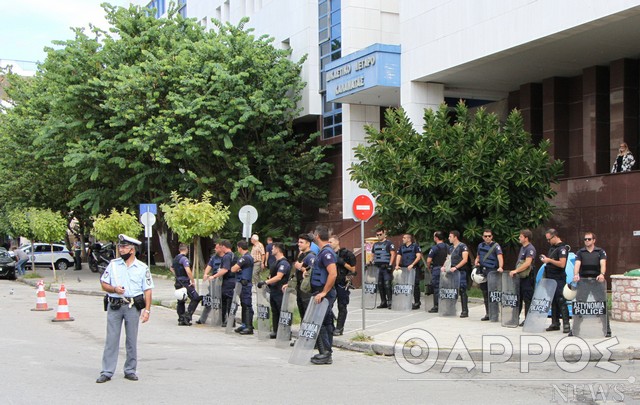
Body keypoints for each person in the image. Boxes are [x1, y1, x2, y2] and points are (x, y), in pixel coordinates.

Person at [96, 234, 153, 383]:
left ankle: (130, 370)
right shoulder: (113, 265)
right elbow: (103, 283)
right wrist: (114, 289)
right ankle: (107, 371)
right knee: (111, 339)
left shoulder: (142, 268)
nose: (121, 250)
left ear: (132, 250)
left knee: (131, 340)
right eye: (120, 247)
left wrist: (147, 310)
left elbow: (147, 290)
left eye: (124, 247)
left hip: (132, 306)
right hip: (115, 305)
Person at [572, 231, 611, 337]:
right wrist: (576, 275)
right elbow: (577, 264)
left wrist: (602, 274)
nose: (587, 241)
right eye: (585, 239)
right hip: (583, 281)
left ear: (594, 240)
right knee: (579, 305)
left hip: (597, 282)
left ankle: (607, 330)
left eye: (589, 239)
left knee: (602, 305)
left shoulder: (600, 252)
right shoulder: (580, 252)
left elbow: (603, 263)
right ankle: (575, 330)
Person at [309, 225, 337, 365]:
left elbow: (333, 273)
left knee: (322, 322)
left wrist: (324, 292)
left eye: (314, 234)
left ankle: (326, 353)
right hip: (320, 292)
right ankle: (324, 352)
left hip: (324, 293)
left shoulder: (327, 253)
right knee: (324, 322)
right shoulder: (322, 252)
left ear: (318, 236)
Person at [502, 229, 536, 326]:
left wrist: (516, 271)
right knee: (517, 298)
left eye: (521, 237)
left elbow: (528, 263)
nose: (519, 238)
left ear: (526, 238)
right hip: (520, 277)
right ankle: (514, 318)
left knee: (527, 298)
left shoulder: (530, 249)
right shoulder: (523, 248)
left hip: (527, 277)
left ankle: (528, 320)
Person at [258, 242, 290, 338]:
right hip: (274, 290)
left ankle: (285, 332)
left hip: (281, 290)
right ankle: (276, 331)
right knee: (275, 311)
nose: (271, 250)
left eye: (273, 248)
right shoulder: (275, 262)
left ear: (277, 249)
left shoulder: (283, 263)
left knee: (282, 312)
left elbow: (279, 277)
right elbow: (272, 275)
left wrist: (265, 282)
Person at [540, 228, 570, 333]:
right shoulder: (553, 248)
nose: (548, 242)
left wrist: (549, 260)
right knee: (552, 300)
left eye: (549, 239)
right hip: (550, 276)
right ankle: (555, 322)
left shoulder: (562, 248)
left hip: (558, 277)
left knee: (561, 300)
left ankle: (566, 324)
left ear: (555, 236)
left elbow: (562, 264)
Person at [285, 234, 316, 320]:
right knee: (301, 310)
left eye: (301, 242)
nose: (299, 244)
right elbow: (294, 272)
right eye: (298, 242)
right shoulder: (301, 255)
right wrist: (289, 284)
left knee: (307, 311)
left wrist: (301, 268)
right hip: (299, 287)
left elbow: (311, 271)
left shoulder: (311, 256)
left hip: (306, 288)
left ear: (308, 244)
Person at [474, 229, 504, 320]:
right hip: (483, 271)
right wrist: (476, 262)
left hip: (492, 271)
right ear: (483, 237)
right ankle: (488, 313)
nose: (487, 238)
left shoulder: (496, 246)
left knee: (493, 293)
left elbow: (500, 257)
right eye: (485, 236)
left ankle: (494, 313)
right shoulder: (480, 245)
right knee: (485, 292)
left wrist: (500, 267)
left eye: (489, 236)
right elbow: (478, 256)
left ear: (492, 237)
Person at [330, 235, 356, 335]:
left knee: (342, 306)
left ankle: (339, 328)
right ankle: (330, 326)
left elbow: (353, 270)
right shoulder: (328, 254)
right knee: (328, 305)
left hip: (342, 283)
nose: (329, 244)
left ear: (337, 242)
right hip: (331, 282)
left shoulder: (347, 254)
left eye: (331, 242)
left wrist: (342, 262)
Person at [170, 243, 201, 326]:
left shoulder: (176, 258)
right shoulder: (184, 259)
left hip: (178, 282)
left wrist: (177, 275)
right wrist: (192, 281)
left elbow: (171, 268)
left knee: (181, 300)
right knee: (195, 298)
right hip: (184, 282)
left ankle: (181, 318)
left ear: (179, 249)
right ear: (186, 249)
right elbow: (188, 271)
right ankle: (187, 316)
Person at [231, 240, 254, 335]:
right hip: (243, 284)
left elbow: (233, 269)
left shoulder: (245, 258)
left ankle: (249, 326)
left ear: (239, 247)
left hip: (245, 284)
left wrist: (237, 268)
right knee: (244, 304)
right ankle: (245, 324)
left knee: (247, 304)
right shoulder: (247, 257)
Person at [196, 244, 223, 324]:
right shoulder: (214, 257)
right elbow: (209, 266)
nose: (215, 249)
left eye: (217, 248)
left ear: (221, 248)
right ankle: (202, 319)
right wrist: (205, 274)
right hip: (213, 281)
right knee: (209, 299)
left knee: (221, 301)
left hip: (222, 281)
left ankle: (222, 319)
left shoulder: (226, 257)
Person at [211, 240, 236, 327]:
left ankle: (226, 320)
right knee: (230, 300)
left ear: (224, 247)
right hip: (233, 280)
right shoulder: (234, 255)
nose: (220, 249)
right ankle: (230, 320)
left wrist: (214, 276)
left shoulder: (226, 257)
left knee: (225, 301)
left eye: (221, 247)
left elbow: (225, 269)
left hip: (228, 281)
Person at [395, 233, 423, 310]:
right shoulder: (401, 247)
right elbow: (398, 256)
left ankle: (417, 302)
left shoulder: (415, 246)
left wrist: (412, 264)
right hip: (404, 268)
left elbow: (418, 257)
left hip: (413, 268)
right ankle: (407, 301)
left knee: (415, 285)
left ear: (409, 239)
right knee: (406, 285)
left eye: (404, 238)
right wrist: (397, 265)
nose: (402, 239)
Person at [370, 229, 396, 309]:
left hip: (386, 267)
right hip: (378, 267)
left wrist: (390, 265)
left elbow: (393, 254)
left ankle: (390, 302)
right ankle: (383, 301)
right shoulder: (375, 244)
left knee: (387, 284)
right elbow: (372, 254)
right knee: (380, 285)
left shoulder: (389, 244)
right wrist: (370, 261)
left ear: (384, 234)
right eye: (377, 235)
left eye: (380, 234)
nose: (379, 236)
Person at [448, 230, 470, 318]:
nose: (449, 238)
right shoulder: (450, 248)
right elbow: (448, 259)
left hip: (460, 271)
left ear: (455, 237)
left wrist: (456, 267)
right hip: (452, 271)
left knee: (462, 289)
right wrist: (444, 267)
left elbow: (465, 259)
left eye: (450, 236)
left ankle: (465, 310)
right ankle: (452, 309)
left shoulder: (462, 246)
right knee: (452, 290)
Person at [427, 231, 448, 313]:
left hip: (437, 269)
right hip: (446, 269)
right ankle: (445, 305)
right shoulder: (448, 247)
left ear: (436, 238)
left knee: (436, 288)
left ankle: (436, 306)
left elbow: (429, 260)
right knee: (445, 287)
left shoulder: (434, 248)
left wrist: (428, 267)